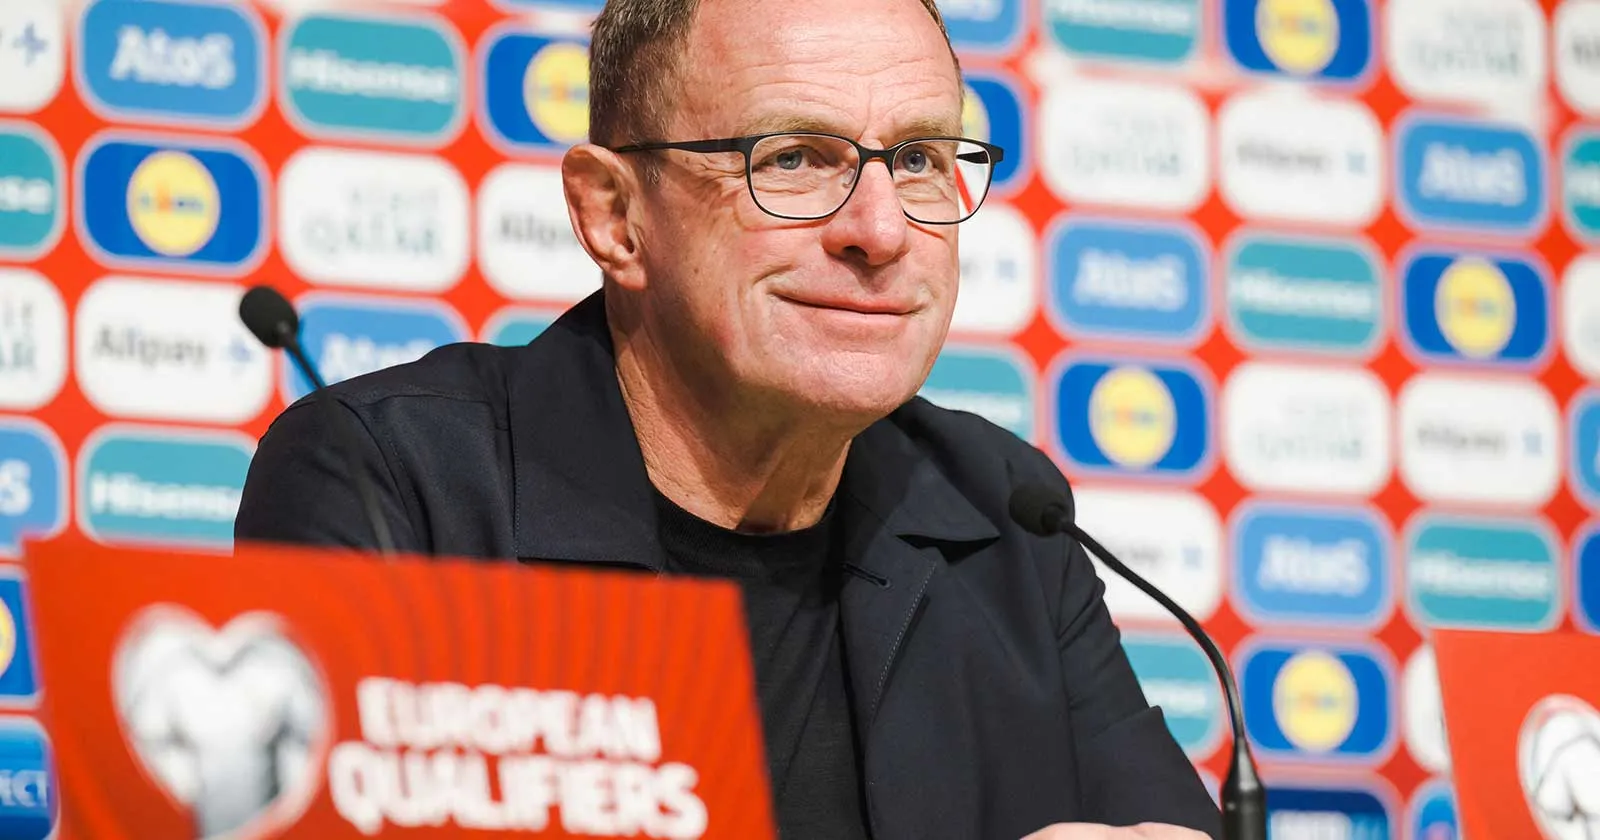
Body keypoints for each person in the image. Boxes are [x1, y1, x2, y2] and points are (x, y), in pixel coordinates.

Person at [234, 0, 1224, 837]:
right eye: (793, 158)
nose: (881, 231)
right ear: (613, 216)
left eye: (919, 158)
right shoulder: (394, 485)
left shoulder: (995, 506)